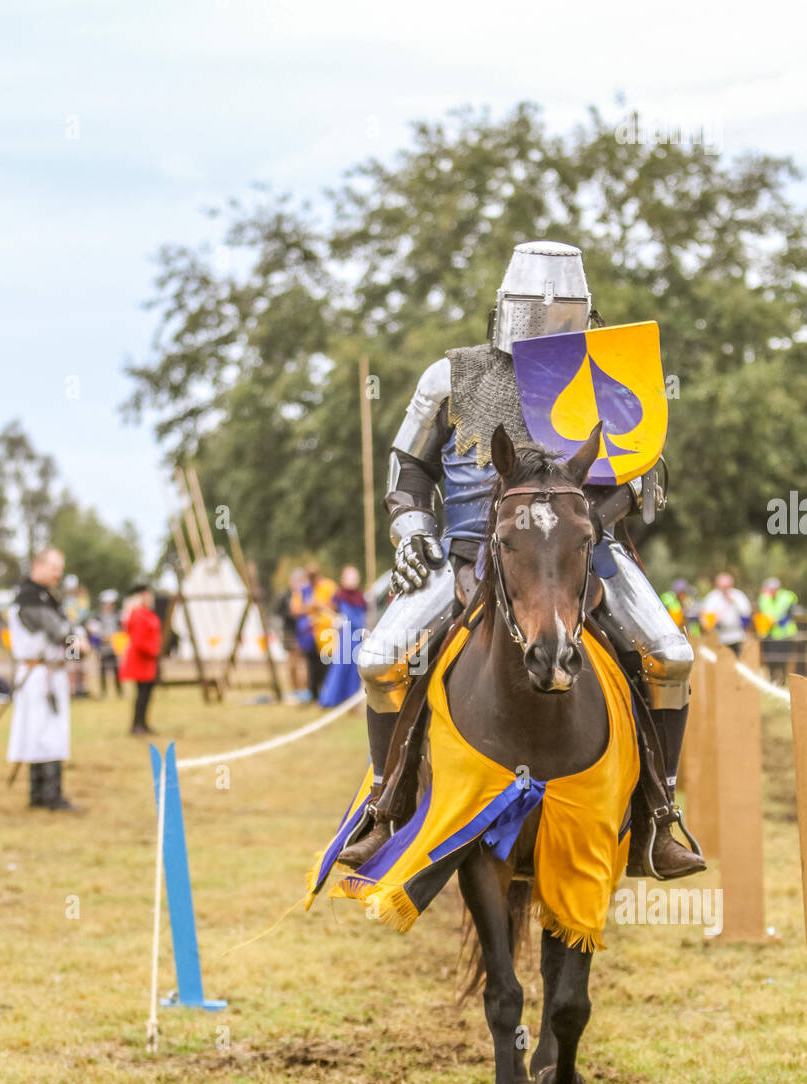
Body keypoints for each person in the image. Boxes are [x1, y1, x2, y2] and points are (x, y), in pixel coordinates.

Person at [343, 239, 703, 880]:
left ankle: (658, 818)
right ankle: (386, 809)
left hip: (579, 555)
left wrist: (606, 510)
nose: (547, 321)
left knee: (670, 657)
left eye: (563, 310)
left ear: (585, 312)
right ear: (505, 307)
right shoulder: (451, 375)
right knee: (378, 661)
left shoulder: (602, 376)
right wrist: (414, 528)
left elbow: (642, 472)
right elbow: (409, 466)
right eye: (537, 309)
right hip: (466, 553)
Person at [6, 546, 83, 811]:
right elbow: (59, 631)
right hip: (39, 674)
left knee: (45, 732)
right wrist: (78, 647)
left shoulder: (45, 597)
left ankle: (41, 795)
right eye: (54, 568)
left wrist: (74, 653)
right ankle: (48, 796)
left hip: (48, 672)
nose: (58, 575)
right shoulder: (30, 599)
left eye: (60, 569)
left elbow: (67, 630)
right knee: (44, 733)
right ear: (38, 567)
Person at [318, 565, 368, 708]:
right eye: (349, 576)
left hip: (358, 636)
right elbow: (327, 609)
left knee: (355, 670)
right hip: (346, 635)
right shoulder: (340, 595)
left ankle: (351, 701)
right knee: (341, 668)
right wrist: (337, 620)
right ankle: (331, 699)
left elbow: (361, 617)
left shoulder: (360, 596)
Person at [290, 561, 338, 701]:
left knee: (326, 665)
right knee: (312, 665)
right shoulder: (304, 590)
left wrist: (320, 605)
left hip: (327, 634)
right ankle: (313, 694)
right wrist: (310, 607)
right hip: (309, 634)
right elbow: (295, 609)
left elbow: (335, 604)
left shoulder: (328, 586)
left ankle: (326, 693)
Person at [120, 582, 162, 735]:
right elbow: (139, 640)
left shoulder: (147, 613)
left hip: (148, 660)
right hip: (142, 659)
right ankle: (137, 724)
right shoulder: (138, 614)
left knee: (147, 693)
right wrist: (153, 651)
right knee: (142, 693)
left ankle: (143, 723)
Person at [756, 576, 799, 683]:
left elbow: (790, 615)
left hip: (784, 633)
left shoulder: (787, 596)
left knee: (783, 659)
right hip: (768, 633)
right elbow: (761, 613)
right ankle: (772, 679)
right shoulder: (763, 597)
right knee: (770, 659)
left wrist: (777, 622)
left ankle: (783, 680)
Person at [275, 568, 309, 698]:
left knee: (303, 664)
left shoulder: (307, 595)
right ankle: (294, 689)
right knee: (292, 663)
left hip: (305, 633)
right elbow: (280, 612)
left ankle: (304, 690)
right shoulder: (286, 596)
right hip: (290, 632)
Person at [700, 573, 752, 656]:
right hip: (717, 637)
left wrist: (734, 602)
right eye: (722, 586)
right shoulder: (711, 598)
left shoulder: (739, 596)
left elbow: (746, 614)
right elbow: (705, 619)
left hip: (736, 637)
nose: (725, 589)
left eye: (727, 586)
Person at [94, 589, 123, 696]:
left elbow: (121, 630)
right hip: (103, 647)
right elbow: (94, 631)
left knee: (116, 669)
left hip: (114, 647)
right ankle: (103, 692)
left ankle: (119, 691)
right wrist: (102, 637)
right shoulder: (97, 616)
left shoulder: (117, 616)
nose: (110, 606)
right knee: (102, 669)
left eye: (112, 604)